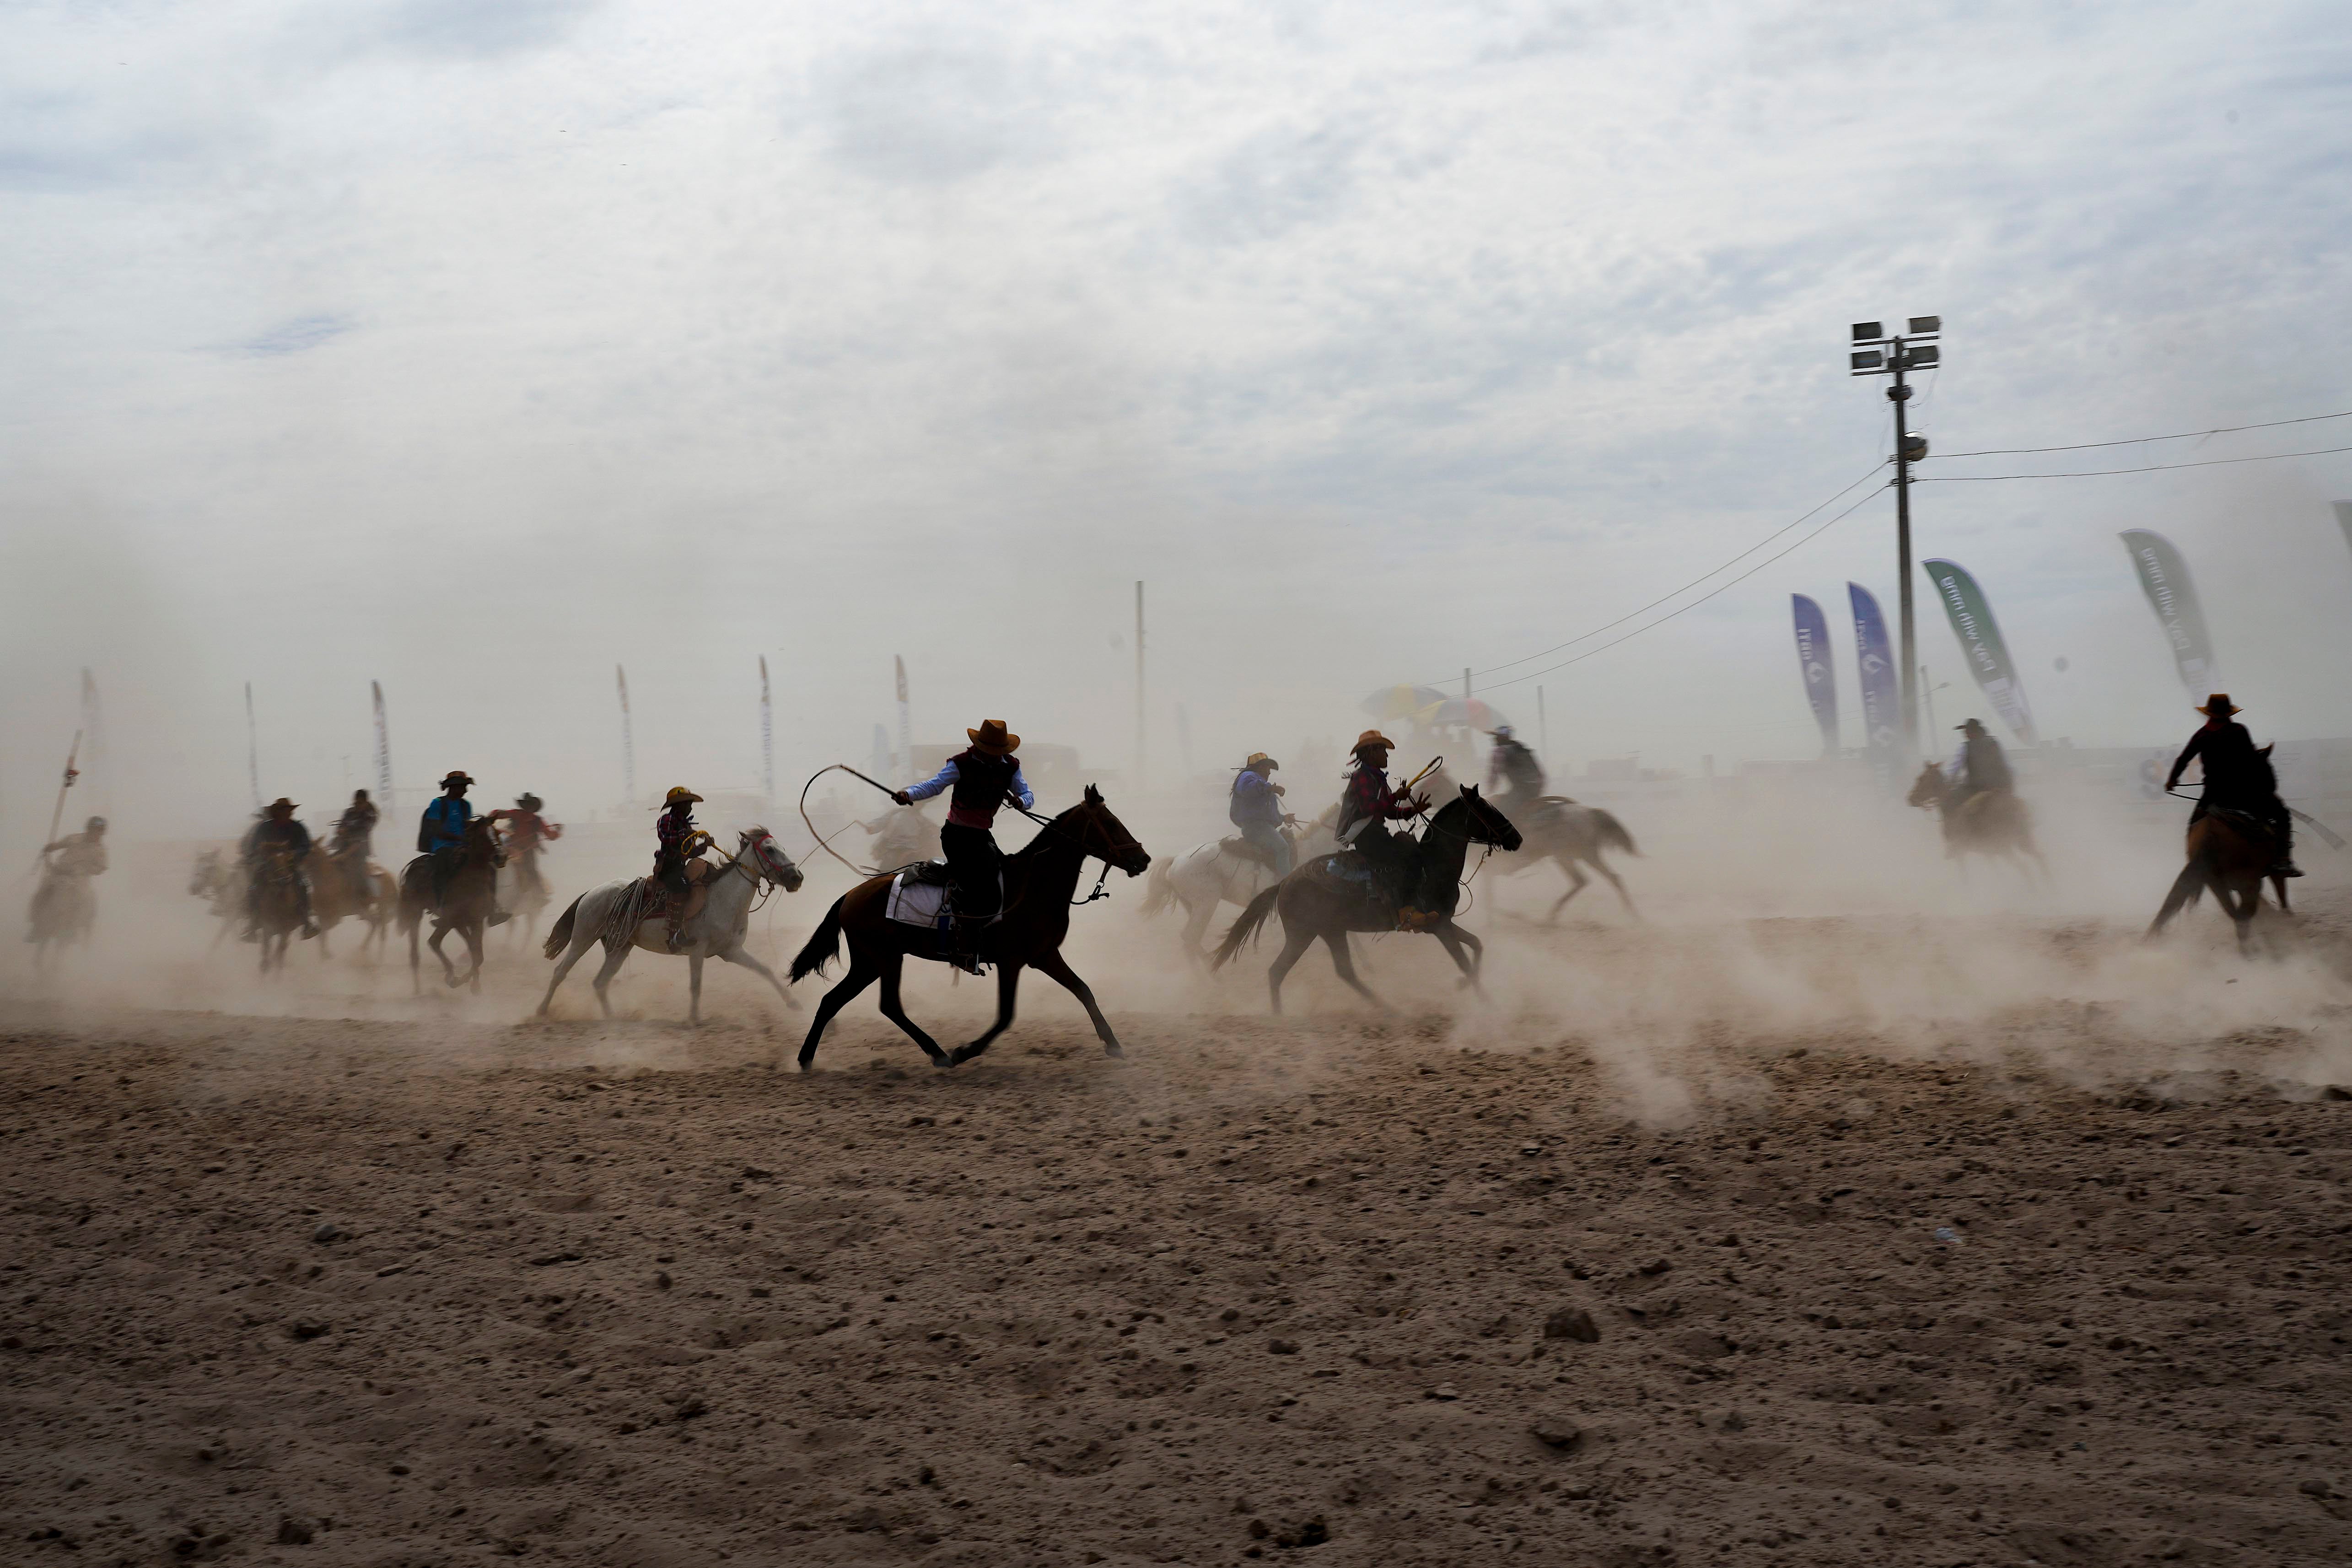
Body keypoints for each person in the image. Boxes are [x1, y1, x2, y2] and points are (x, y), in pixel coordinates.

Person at [893, 718, 1034, 967]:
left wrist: (1021, 801)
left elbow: (1027, 794)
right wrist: (909, 794)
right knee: (978, 883)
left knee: (1004, 876)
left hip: (982, 837)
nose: (993, 756)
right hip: (957, 836)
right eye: (989, 751)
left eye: (997, 752)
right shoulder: (961, 764)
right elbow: (934, 785)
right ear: (979, 747)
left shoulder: (1010, 767)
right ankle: (963, 945)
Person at [2165, 694, 2299, 877]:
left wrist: (2172, 780)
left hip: (2212, 795)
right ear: (2229, 713)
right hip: (2242, 793)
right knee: (2282, 814)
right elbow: (2251, 760)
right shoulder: (2238, 731)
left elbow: (2183, 759)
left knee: (2194, 825)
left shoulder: (2201, 735)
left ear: (2209, 714)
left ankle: (2194, 862)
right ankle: (2283, 861)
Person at [1335, 729, 1435, 926]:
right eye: (1383, 751)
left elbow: (1389, 812)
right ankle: (1406, 911)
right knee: (1412, 856)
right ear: (1371, 753)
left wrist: (1413, 810)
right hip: (1367, 835)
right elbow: (1369, 808)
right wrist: (1396, 796)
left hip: (1376, 833)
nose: (1387, 755)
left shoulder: (1377, 778)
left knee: (1413, 849)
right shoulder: (1362, 777)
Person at [418, 771, 510, 924]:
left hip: (463, 845)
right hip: (442, 845)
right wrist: (458, 838)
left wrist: (483, 825)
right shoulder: (438, 804)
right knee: (442, 869)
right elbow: (435, 829)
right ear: (453, 787)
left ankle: (493, 910)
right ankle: (441, 908)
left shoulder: (465, 805)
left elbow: (467, 826)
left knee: (490, 868)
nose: (465, 791)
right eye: (463, 787)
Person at [242, 797, 318, 940]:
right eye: (285, 811)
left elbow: (306, 845)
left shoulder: (298, 827)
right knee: (253, 887)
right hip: (268, 865)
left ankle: (307, 923)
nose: (289, 814)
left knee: (303, 885)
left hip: (290, 865)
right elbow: (254, 846)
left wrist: (295, 854)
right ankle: (252, 925)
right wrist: (261, 854)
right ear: (277, 813)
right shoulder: (264, 828)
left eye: (290, 811)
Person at [29, 816, 109, 939]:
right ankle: (37, 925)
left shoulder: (101, 851)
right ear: (88, 829)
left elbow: (101, 868)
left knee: (83, 899)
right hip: (59, 873)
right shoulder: (74, 838)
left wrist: (88, 868)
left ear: (102, 833)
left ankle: (73, 928)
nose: (96, 834)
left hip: (80, 879)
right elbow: (59, 845)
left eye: (99, 831)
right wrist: (50, 847)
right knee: (42, 892)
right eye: (93, 830)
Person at [653, 787, 714, 950]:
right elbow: (666, 839)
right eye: (689, 804)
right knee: (682, 888)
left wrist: (704, 845)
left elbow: (690, 853)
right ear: (680, 805)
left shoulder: (685, 825)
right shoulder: (666, 820)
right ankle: (674, 937)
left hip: (680, 866)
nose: (691, 808)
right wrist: (687, 833)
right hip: (668, 867)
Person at [1229, 753, 1296, 876]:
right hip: (1257, 828)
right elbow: (1247, 789)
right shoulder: (1248, 776)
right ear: (1260, 768)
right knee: (1283, 848)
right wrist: (1271, 788)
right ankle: (1286, 883)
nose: (1269, 773)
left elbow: (1265, 814)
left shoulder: (1261, 786)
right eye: (1268, 769)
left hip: (1262, 827)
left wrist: (1283, 818)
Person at [490, 792, 564, 902]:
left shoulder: (533, 820)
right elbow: (551, 836)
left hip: (522, 850)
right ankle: (539, 896)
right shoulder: (520, 816)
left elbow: (550, 836)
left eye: (531, 806)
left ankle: (539, 896)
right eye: (528, 805)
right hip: (514, 849)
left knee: (531, 870)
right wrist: (558, 831)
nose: (529, 808)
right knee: (530, 871)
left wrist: (557, 833)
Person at [1944, 718, 2015, 809]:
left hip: (1977, 788)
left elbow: (1954, 770)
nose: (1965, 734)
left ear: (1972, 732)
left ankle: (1954, 819)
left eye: (1967, 732)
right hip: (2002, 787)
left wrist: (1947, 782)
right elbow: (2008, 767)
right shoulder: (1995, 743)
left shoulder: (1966, 747)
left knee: (1950, 802)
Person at [329, 789, 380, 900]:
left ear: (366, 802)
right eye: (356, 803)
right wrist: (340, 830)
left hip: (359, 851)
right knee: (329, 865)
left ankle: (367, 898)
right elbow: (341, 826)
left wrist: (346, 855)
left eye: (360, 803)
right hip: (343, 847)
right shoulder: (349, 812)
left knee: (360, 873)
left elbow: (362, 836)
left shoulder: (370, 815)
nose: (357, 805)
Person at [1485, 725, 1546, 814]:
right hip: (1536, 787)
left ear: (1501, 738)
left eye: (1497, 737)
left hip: (1521, 789)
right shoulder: (1521, 748)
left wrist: (1489, 791)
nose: (1495, 739)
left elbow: (1494, 774)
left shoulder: (1501, 751)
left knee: (1501, 811)